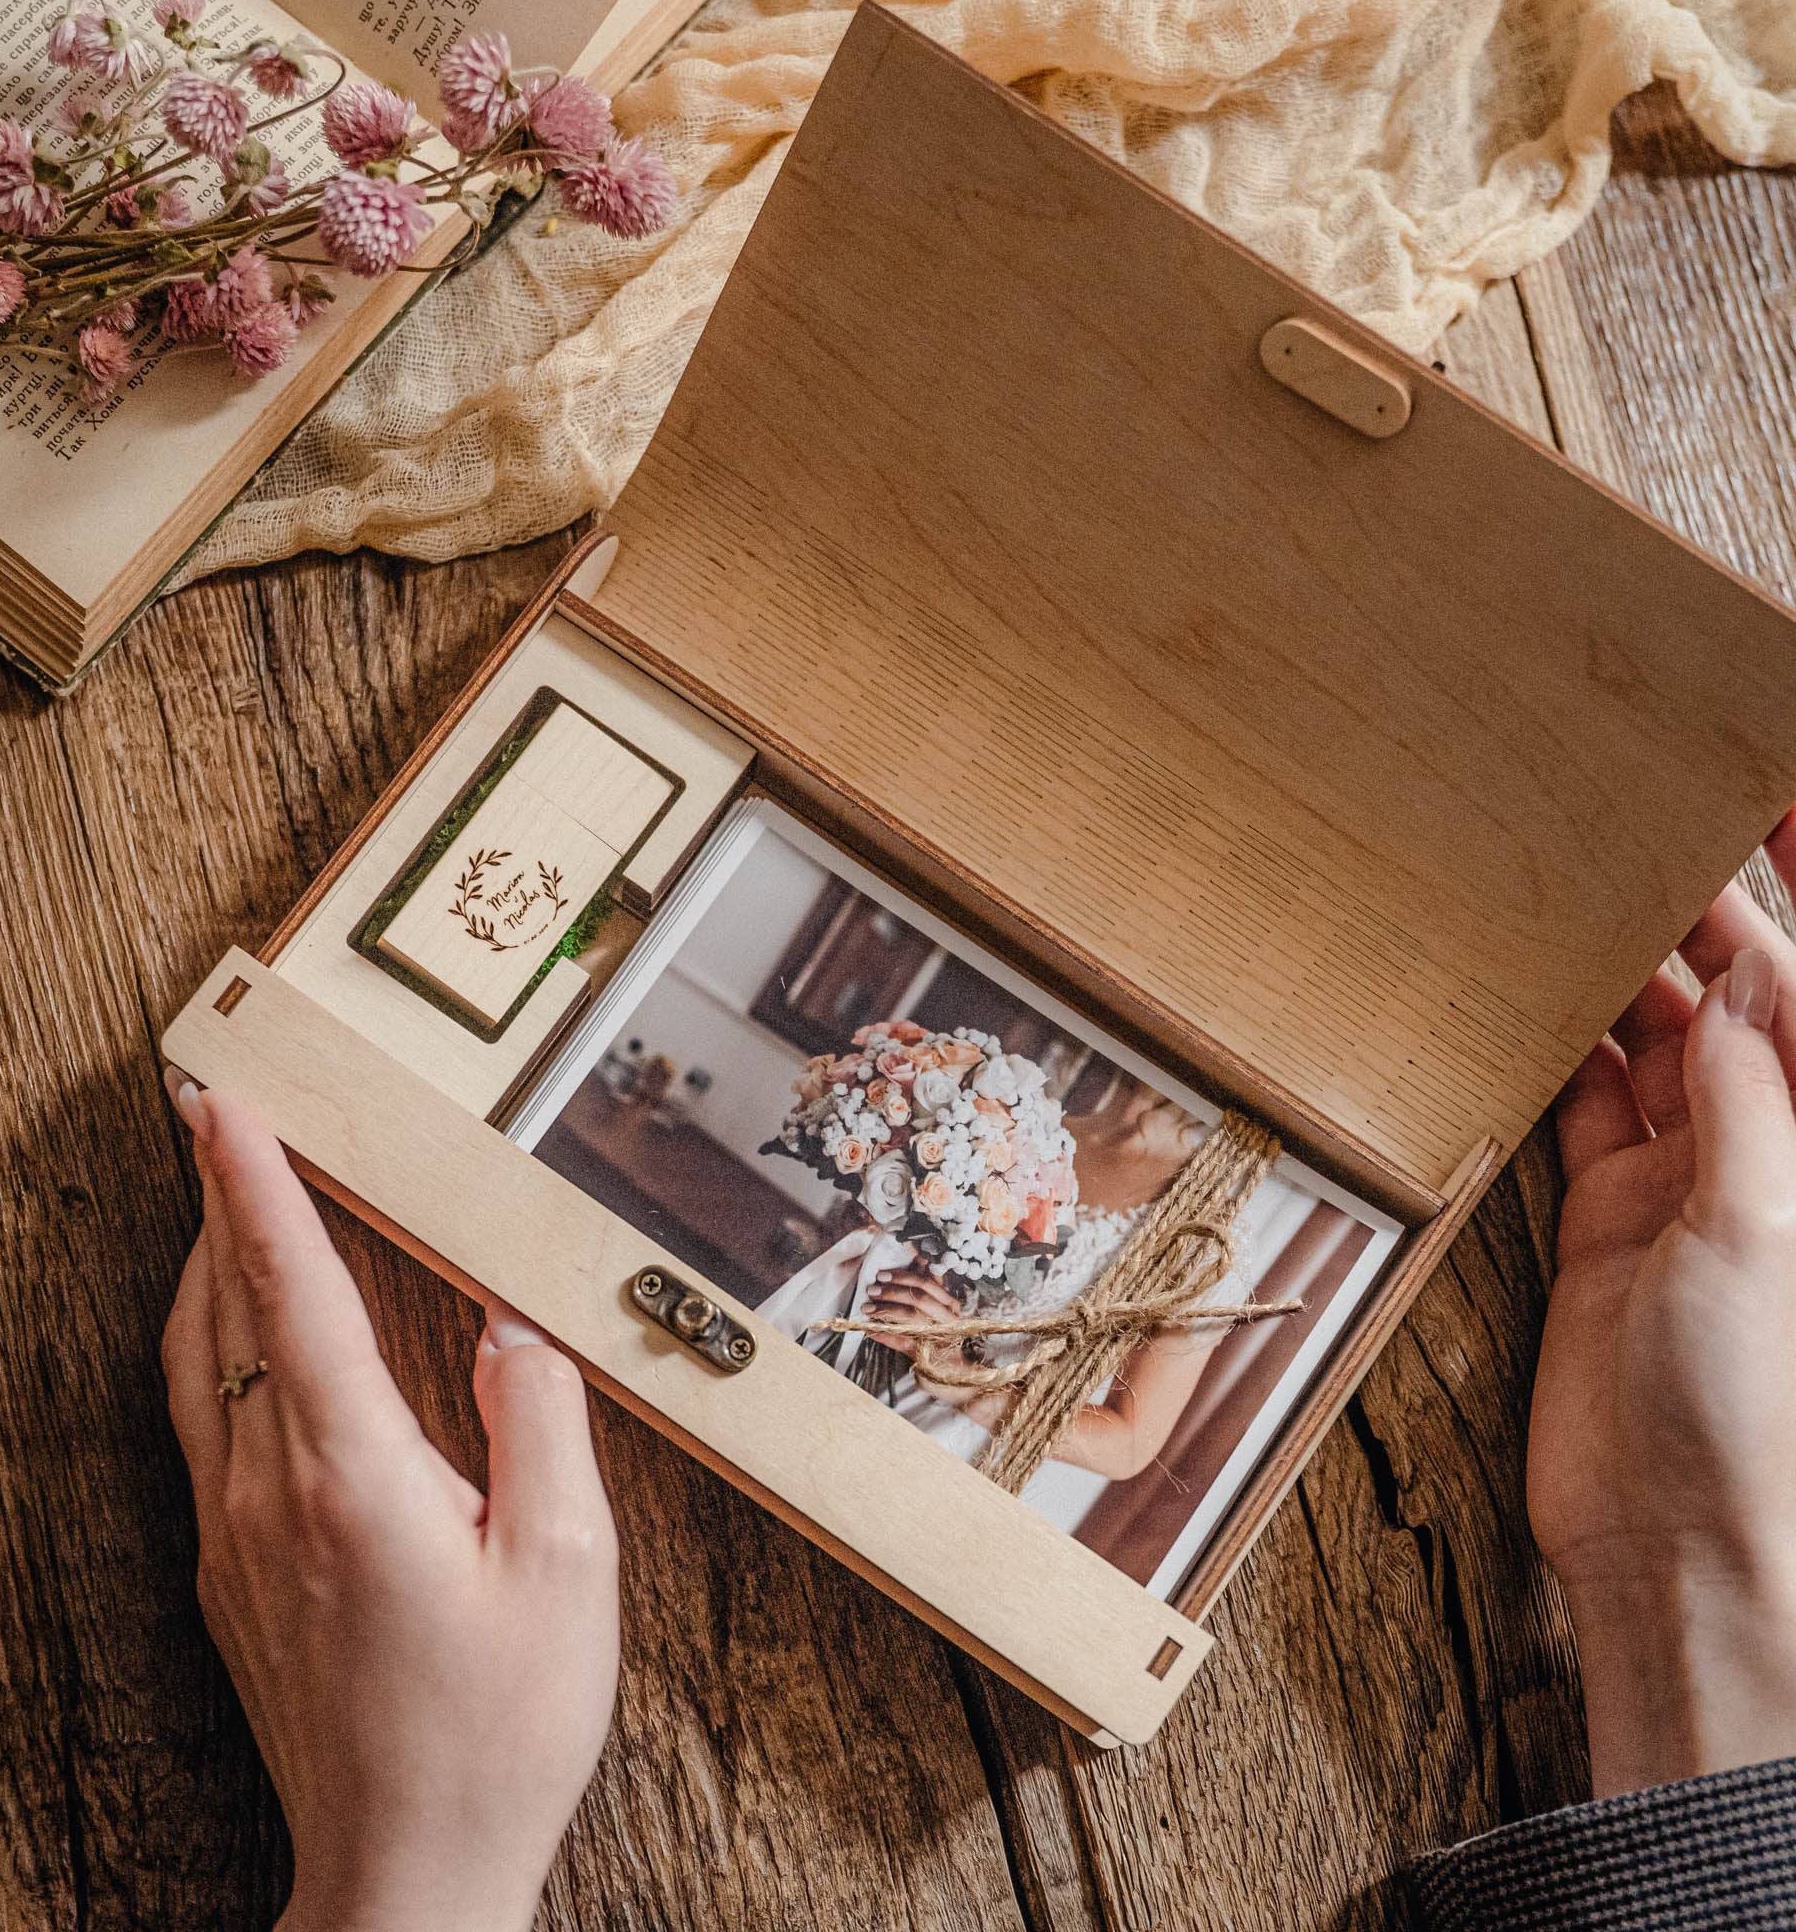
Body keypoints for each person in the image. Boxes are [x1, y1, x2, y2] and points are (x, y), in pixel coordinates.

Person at [145, 815, 1796, 1932]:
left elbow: (1132, 1440)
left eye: (1167, 1120)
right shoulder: (1027, 1124)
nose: (1139, 1119)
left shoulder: (1179, 1266)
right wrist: (1697, 1563)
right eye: (1133, 1106)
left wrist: (412, 1880)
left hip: (960, 1414)